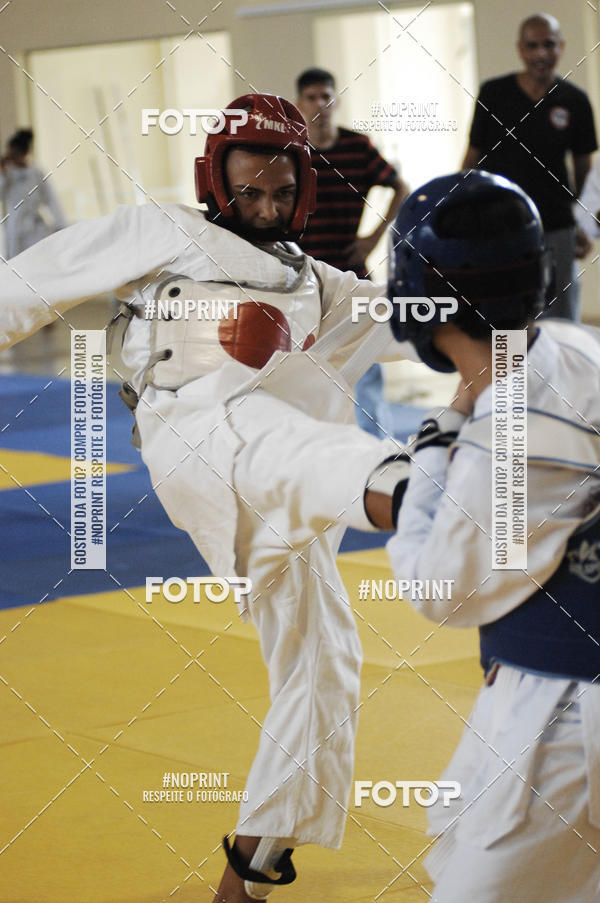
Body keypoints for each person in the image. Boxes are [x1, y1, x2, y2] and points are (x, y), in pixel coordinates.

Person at [0, 93, 412, 903]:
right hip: (198, 436)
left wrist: (500, 282)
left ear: (304, 190)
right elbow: (29, 283)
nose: (266, 206)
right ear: (214, 180)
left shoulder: (319, 284)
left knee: (326, 663)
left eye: (282, 191)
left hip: (278, 493)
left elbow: (412, 318)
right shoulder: (163, 232)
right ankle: (412, 494)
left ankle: (247, 876)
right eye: (249, 189)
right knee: (284, 438)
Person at [385, 169, 600, 902]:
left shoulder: (504, 442)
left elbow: (438, 589)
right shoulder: (571, 347)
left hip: (570, 710)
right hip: (542, 685)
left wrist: (435, 440)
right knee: (454, 838)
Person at [295, 67, 409, 437]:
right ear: (300, 103)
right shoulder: (293, 151)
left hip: (351, 271)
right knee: (306, 365)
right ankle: (315, 442)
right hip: (304, 276)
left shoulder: (357, 147)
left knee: (366, 362)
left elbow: (401, 188)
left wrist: (373, 238)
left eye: (326, 96)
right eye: (312, 97)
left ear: (336, 101)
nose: (320, 104)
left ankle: (376, 446)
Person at [462, 13, 597, 321]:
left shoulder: (575, 100)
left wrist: (583, 222)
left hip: (556, 225)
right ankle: (510, 356)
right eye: (532, 45)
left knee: (560, 319)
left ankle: (555, 357)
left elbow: (584, 169)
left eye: (549, 44)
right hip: (499, 226)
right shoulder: (493, 94)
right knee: (504, 315)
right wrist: (463, 213)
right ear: (520, 49)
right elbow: (471, 160)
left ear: (561, 47)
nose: (541, 54)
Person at [0, 127, 68, 258]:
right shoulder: (7, 174)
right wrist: (3, 173)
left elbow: (52, 199)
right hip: (15, 230)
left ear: (25, 153)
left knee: (40, 259)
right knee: (17, 264)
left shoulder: (36, 172)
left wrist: (61, 225)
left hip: (35, 228)